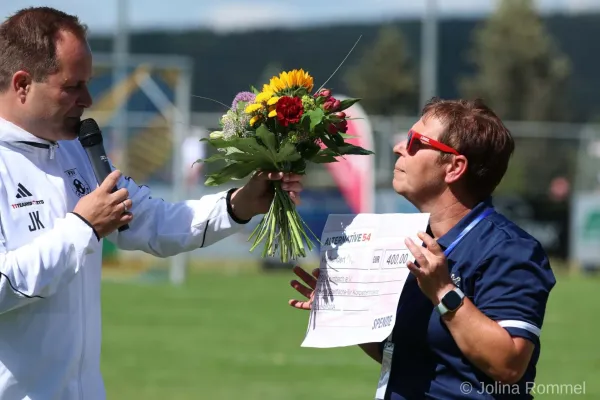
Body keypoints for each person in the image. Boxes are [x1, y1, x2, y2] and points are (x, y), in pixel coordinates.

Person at [0, 7, 303, 399]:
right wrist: (83, 227)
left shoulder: (76, 150)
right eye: (73, 86)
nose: (89, 99)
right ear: (23, 84)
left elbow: (155, 221)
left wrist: (239, 203)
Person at [289, 97, 556, 399]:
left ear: (454, 167)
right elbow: (404, 356)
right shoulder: (411, 241)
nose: (399, 148)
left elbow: (509, 365)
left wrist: (443, 291)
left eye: (416, 141)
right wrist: (348, 310)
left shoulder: (509, 249)